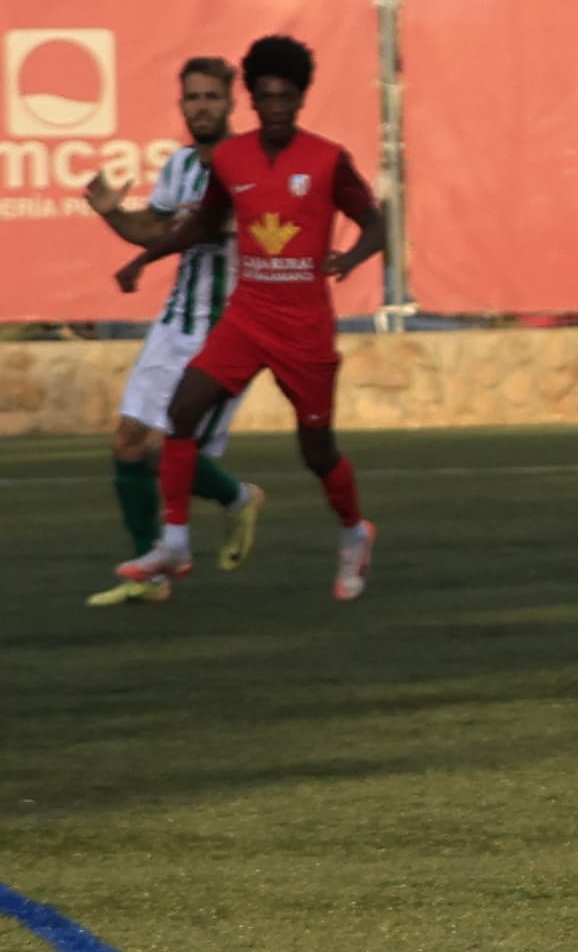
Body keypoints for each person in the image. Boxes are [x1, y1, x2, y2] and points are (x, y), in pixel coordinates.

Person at [112, 34, 385, 603]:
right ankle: (177, 542)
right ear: (253, 101)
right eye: (267, 96)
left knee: (317, 452)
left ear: (301, 98)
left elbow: (374, 222)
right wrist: (144, 256)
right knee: (182, 409)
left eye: (287, 96)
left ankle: (354, 531)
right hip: (247, 316)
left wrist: (352, 257)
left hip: (303, 329)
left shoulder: (328, 158)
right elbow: (201, 225)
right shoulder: (232, 160)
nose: (277, 106)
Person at [81, 55, 260, 604]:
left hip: (229, 330)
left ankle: (238, 499)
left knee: (165, 449)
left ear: (231, 103)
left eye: (211, 97)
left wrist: (148, 253)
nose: (201, 106)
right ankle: (150, 574)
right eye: (193, 97)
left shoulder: (251, 165)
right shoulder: (180, 167)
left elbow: (205, 227)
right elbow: (157, 227)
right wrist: (114, 214)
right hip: (175, 323)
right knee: (129, 443)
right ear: (182, 104)